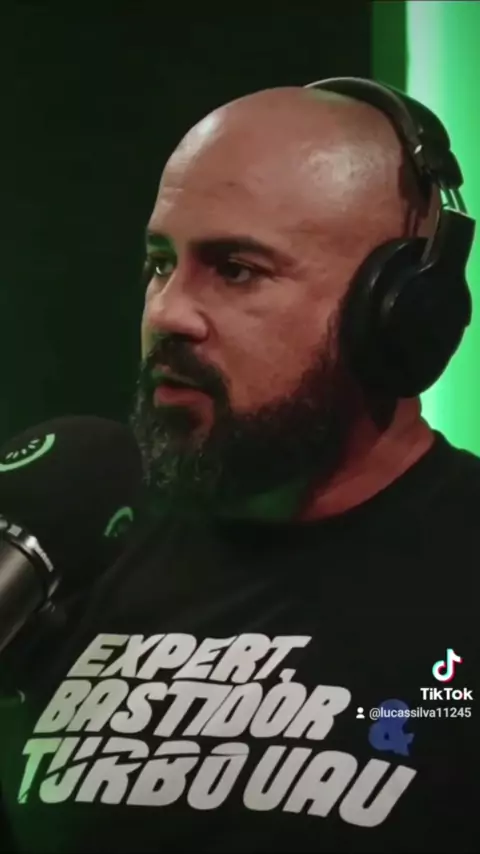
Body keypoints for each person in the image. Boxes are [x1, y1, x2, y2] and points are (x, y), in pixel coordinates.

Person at [0, 77, 478, 854]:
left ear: (400, 313)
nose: (166, 312)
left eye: (236, 269)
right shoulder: (81, 540)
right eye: (160, 263)